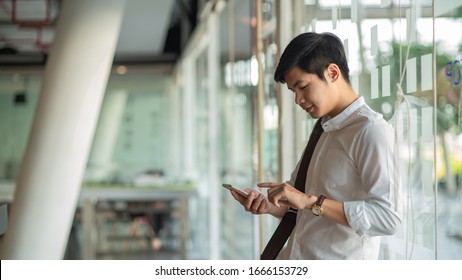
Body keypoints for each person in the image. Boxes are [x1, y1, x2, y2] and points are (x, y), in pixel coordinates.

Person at [229, 32, 402, 259]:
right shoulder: (324, 128)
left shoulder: (371, 131)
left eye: (303, 87)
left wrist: (312, 202)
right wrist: (270, 206)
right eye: (293, 91)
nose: (298, 100)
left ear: (332, 73)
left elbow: (388, 218)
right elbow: (302, 206)